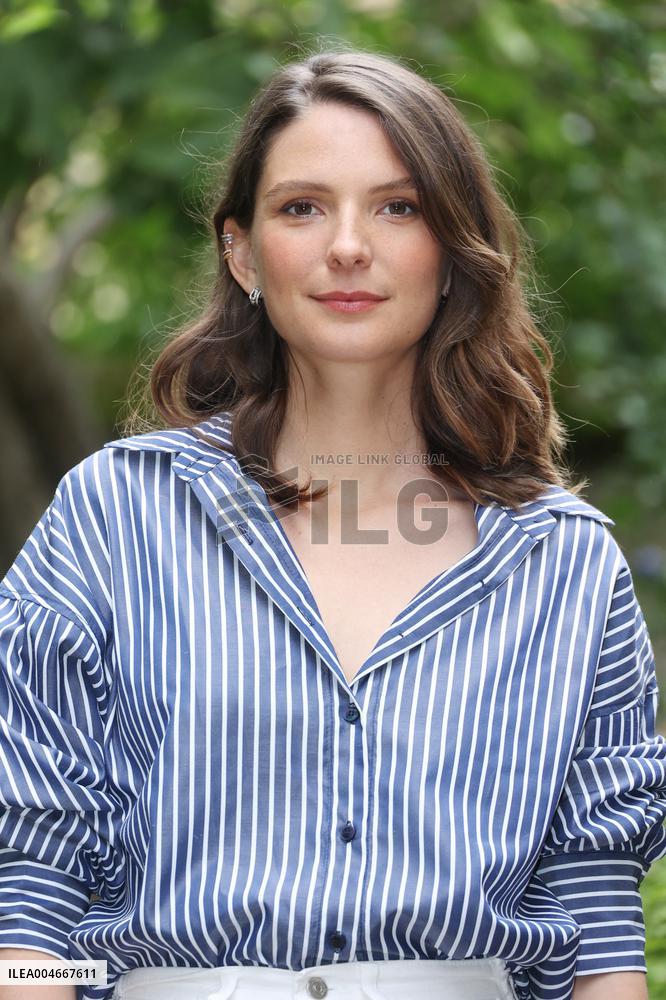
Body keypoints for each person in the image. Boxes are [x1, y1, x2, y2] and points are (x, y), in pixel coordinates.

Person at [0, 43, 664, 1000]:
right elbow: (30, 870)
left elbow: (594, 905)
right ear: (241, 250)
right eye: (302, 207)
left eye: (399, 207)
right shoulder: (115, 515)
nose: (348, 245)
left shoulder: (566, 565)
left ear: (453, 249)